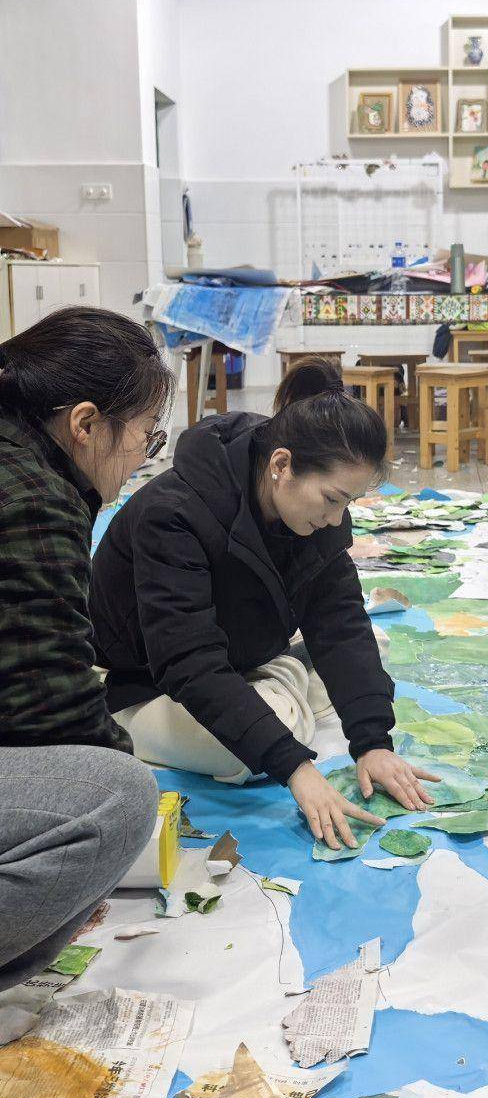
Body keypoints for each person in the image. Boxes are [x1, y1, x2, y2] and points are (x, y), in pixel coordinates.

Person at [90, 357, 437, 853]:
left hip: (241, 653)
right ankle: (283, 681)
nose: (336, 518)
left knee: (369, 650)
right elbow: (188, 661)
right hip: (143, 680)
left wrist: (373, 743)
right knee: (248, 754)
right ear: (281, 466)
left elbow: (341, 621)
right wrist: (296, 768)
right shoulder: (173, 514)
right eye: (332, 498)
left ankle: (279, 681)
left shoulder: (315, 513)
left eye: (348, 503)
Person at [0, 306, 174, 989]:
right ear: (84, 423)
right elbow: (50, 706)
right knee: (119, 797)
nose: (143, 456)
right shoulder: (34, 496)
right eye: (144, 435)